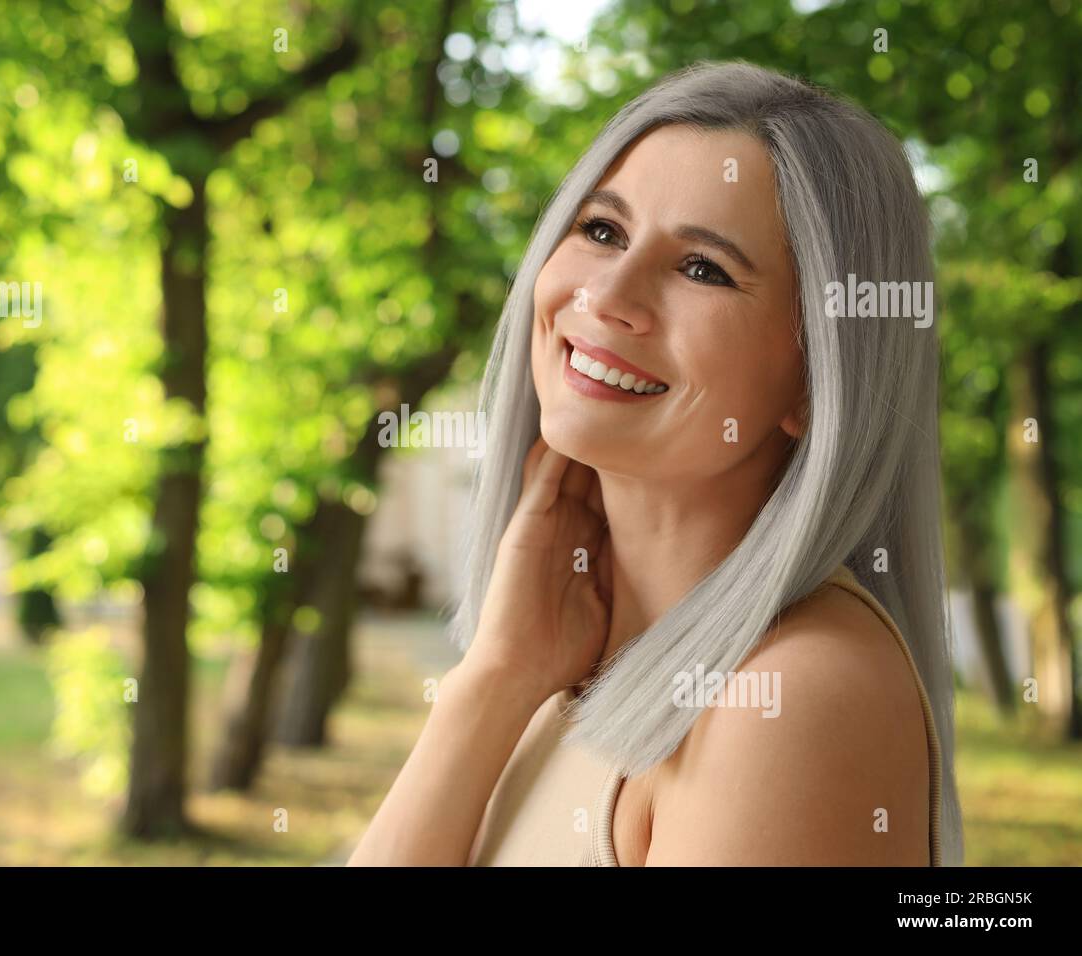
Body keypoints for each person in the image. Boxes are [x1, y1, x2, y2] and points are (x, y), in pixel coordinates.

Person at [348, 61, 963, 866]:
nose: (607, 296)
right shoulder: (559, 671)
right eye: (601, 230)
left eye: (703, 268)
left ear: (819, 382)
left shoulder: (791, 696)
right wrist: (493, 681)